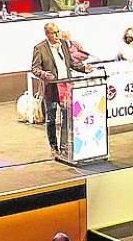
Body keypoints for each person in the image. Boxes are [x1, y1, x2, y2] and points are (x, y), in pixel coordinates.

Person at [31, 22, 92, 152]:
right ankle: (54, 146)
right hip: (51, 87)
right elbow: (35, 69)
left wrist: (83, 68)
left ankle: (64, 144)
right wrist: (45, 74)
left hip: (66, 86)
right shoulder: (40, 48)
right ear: (47, 34)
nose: (58, 35)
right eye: (54, 33)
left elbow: (70, 63)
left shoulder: (64, 44)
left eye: (58, 31)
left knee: (66, 116)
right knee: (51, 118)